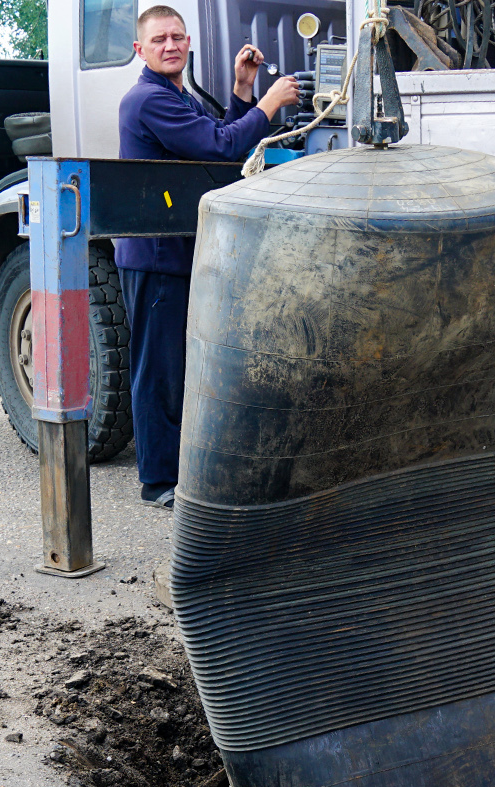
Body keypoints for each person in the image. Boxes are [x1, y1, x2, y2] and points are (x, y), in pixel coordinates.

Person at [116, 7, 300, 507]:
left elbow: (219, 143)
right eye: (159, 39)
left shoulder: (180, 96)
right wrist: (268, 104)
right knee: (157, 372)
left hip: (179, 255)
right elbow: (221, 148)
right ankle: (157, 481)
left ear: (189, 42)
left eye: (177, 37)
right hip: (155, 257)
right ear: (141, 49)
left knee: (181, 367)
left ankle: (181, 470)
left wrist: (243, 91)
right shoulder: (147, 101)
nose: (169, 45)